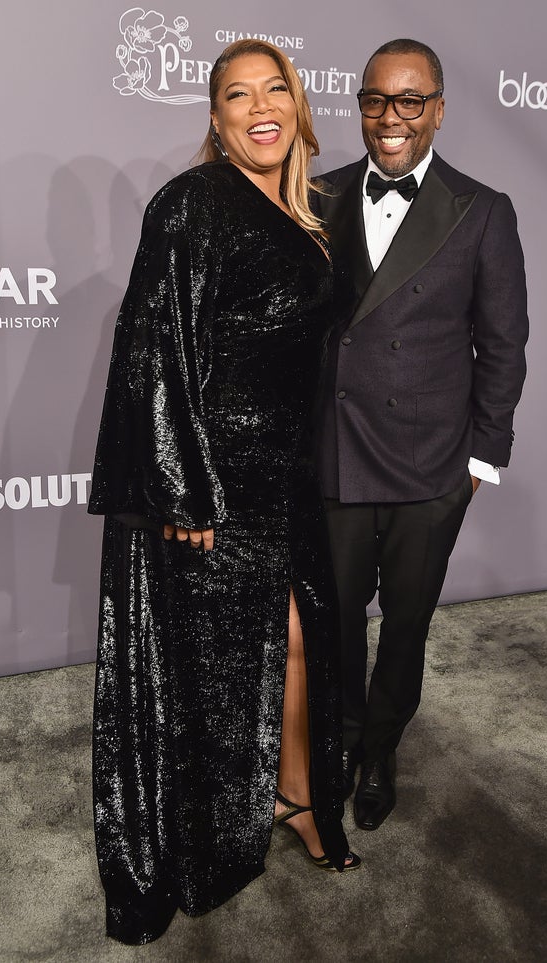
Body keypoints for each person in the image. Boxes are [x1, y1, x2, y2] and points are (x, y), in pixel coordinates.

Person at [88, 38, 359, 946]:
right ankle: (213, 833)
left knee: (294, 646)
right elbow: (153, 350)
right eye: (236, 96)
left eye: (272, 88)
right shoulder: (193, 203)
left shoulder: (301, 210)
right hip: (213, 488)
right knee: (216, 672)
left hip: (282, 481)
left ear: (298, 103)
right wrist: (184, 490)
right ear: (216, 119)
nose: (258, 108)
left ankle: (292, 793)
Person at [315, 39, 528, 831]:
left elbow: (503, 343)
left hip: (431, 466)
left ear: (437, 110)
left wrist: (481, 459)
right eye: (376, 100)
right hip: (336, 451)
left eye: (410, 101)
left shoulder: (482, 209)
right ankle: (337, 736)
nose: (391, 119)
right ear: (360, 106)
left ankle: (380, 744)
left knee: (406, 622)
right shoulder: (318, 195)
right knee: (335, 614)